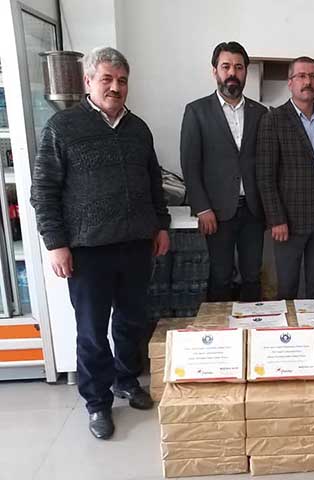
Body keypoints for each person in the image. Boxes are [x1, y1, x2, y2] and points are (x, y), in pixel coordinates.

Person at [30, 47, 171, 440]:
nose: (115, 87)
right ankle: (97, 402)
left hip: (136, 244)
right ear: (88, 81)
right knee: (92, 331)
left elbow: (154, 183)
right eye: (106, 79)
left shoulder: (138, 129)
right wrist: (56, 243)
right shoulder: (63, 127)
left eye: (122, 80)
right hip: (87, 249)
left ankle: (127, 380)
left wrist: (160, 226)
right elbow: (43, 190)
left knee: (131, 321)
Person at [180, 41, 268, 301]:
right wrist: (202, 208)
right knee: (220, 276)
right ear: (215, 71)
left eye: (239, 67)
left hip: (253, 210)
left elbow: (266, 163)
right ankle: (220, 326)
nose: (232, 73)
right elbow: (190, 165)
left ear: (245, 72)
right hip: (216, 212)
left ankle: (253, 323)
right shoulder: (197, 111)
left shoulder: (260, 112)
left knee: (252, 275)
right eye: (226, 66)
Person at [256, 57, 314, 299]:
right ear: (290, 82)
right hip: (288, 222)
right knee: (287, 288)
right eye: (301, 76)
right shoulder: (274, 119)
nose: (308, 81)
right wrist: (276, 219)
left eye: (313, 76)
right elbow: (265, 175)